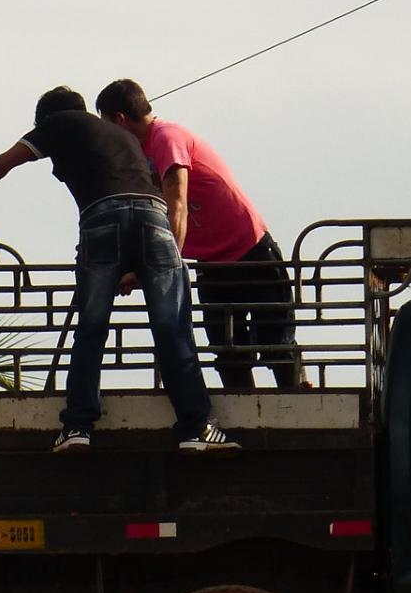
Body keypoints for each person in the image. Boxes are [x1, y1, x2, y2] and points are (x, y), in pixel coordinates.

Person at [0, 87, 236, 453]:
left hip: (103, 220)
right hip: (153, 220)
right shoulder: (122, 134)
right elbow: (139, 194)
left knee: (92, 326)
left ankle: (78, 426)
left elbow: (6, 162)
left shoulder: (57, 124)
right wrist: (134, 268)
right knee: (172, 326)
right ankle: (197, 428)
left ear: (46, 120)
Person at [95, 79, 307, 391]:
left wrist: (163, 266)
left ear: (119, 119)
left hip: (249, 249)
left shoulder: (167, 138)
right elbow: (142, 217)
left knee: (276, 341)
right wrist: (133, 267)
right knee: (227, 349)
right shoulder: (138, 153)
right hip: (212, 261)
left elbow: (175, 206)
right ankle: (244, 414)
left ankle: (295, 405)